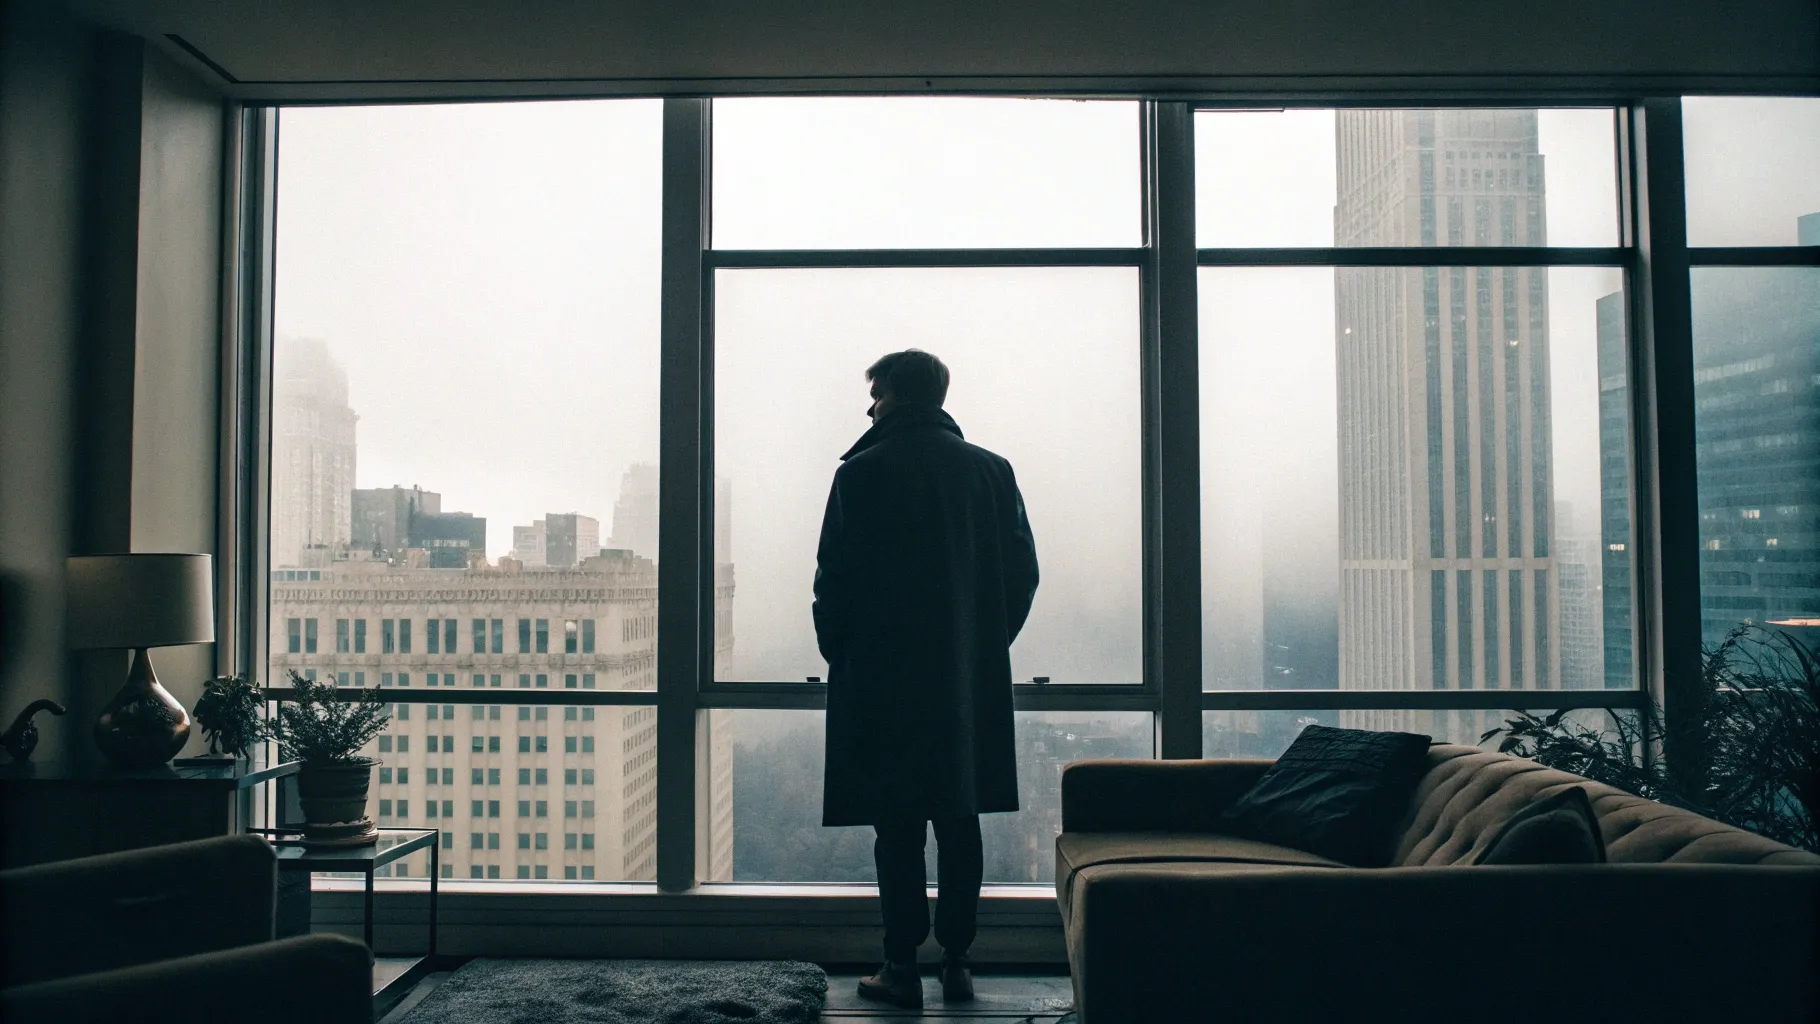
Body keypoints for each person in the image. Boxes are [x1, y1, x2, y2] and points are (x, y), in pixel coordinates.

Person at [812, 349, 1040, 1009]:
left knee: (898, 828)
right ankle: (959, 963)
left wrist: (843, 657)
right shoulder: (992, 473)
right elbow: (1022, 576)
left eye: (875, 395)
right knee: (960, 821)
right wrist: (982, 644)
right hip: (964, 682)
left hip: (884, 684)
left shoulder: (860, 475)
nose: (869, 407)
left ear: (896, 397)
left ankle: (900, 965)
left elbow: (835, 582)